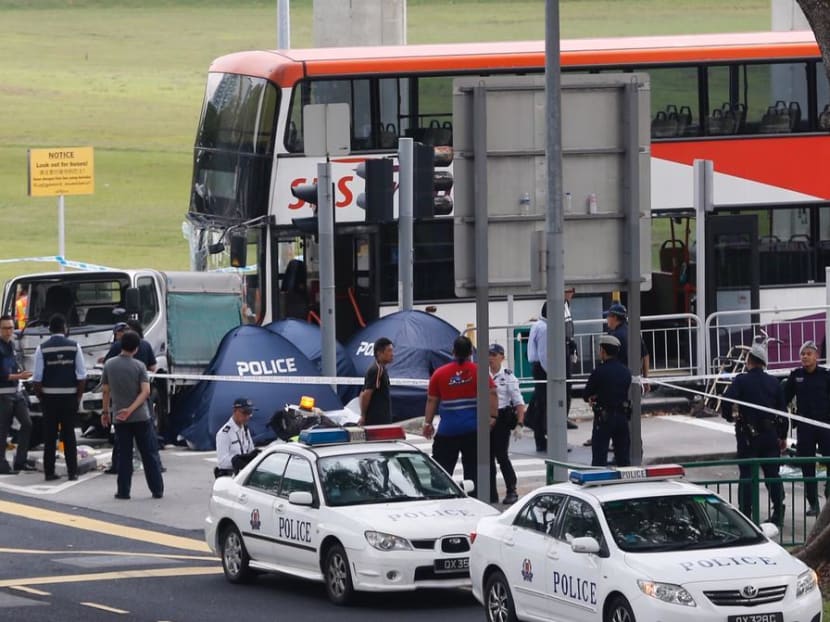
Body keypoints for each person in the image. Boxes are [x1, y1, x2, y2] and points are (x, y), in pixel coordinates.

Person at [722, 343, 787, 525]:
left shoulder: (741, 380)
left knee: (747, 476)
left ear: (749, 360)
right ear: (764, 363)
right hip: (770, 435)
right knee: (772, 474)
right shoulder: (774, 382)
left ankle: (746, 515)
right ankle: (778, 511)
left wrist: (730, 417)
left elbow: (726, 402)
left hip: (747, 436)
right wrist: (782, 436)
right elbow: (783, 412)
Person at [423, 336, 496, 494]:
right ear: (471, 352)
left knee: (441, 472)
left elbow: (431, 400)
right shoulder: (479, 371)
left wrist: (427, 424)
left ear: (453, 352)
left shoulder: (439, 374)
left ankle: (439, 498)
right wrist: (492, 417)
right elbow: (492, 393)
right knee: (474, 471)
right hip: (473, 431)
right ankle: (476, 499)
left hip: (447, 432)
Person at [101, 330, 164, 500]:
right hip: (140, 416)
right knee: (148, 453)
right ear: (136, 348)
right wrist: (131, 409)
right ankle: (157, 489)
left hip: (119, 417)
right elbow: (145, 392)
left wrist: (105, 411)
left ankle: (123, 491)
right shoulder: (139, 366)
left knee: (124, 455)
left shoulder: (109, 365)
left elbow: (105, 391)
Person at [584, 302, 650, 448]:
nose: (607, 320)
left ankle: (604, 441)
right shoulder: (633, 333)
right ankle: (630, 443)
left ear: (615, 318)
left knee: (607, 411)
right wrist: (645, 378)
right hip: (632, 380)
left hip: (616, 381)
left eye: (608, 317)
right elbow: (645, 355)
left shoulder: (613, 337)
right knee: (627, 414)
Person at [32, 314, 86, 482]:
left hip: (49, 398)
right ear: (65, 329)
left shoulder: (42, 348)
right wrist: (78, 396)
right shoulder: (75, 346)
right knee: (69, 435)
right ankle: (72, 472)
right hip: (69, 397)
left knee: (50, 436)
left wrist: (41, 396)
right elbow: (82, 376)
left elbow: (37, 378)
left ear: (49, 330)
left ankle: (49, 472)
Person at [783, 340, 830, 516]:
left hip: (825, 426)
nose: (805, 357)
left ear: (816, 356)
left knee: (829, 461)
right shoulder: (796, 376)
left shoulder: (826, 376)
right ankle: (813, 503)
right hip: (805, 427)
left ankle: (828, 497)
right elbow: (784, 398)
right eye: (802, 354)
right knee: (807, 465)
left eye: (808, 354)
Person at [583, 335, 633, 467]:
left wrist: (595, 397)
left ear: (603, 351)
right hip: (622, 417)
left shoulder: (599, 371)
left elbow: (586, 394)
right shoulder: (626, 372)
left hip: (604, 418)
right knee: (623, 458)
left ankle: (599, 485)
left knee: (599, 458)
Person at [487, 343, 526, 505]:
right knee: (486, 457)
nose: (491, 358)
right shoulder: (482, 373)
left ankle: (512, 489)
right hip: (485, 418)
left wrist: (520, 424)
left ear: (502, 357)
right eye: (489, 354)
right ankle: (490, 492)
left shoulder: (508, 377)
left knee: (501, 456)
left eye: (494, 355)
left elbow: (518, 402)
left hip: (502, 418)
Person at [0, 314, 34, 475]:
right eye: (5, 328)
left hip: (17, 392)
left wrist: (20, 375)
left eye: (11, 328)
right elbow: (2, 375)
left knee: (27, 424)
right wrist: (19, 376)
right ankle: (2, 464)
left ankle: (20, 461)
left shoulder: (12, 345)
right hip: (3, 394)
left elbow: (13, 367)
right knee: (3, 430)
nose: (9, 331)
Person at [215, 397, 258, 478]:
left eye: (250, 413)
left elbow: (250, 449)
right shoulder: (224, 433)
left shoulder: (245, 429)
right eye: (245, 412)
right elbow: (222, 462)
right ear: (235, 411)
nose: (248, 416)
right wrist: (236, 460)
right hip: (230, 477)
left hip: (243, 475)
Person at [358, 337, 394, 425]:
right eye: (389, 351)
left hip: (382, 420)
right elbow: (366, 394)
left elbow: (362, 393)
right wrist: (363, 416)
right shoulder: (377, 370)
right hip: (377, 421)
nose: (392, 354)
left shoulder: (381, 369)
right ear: (379, 353)